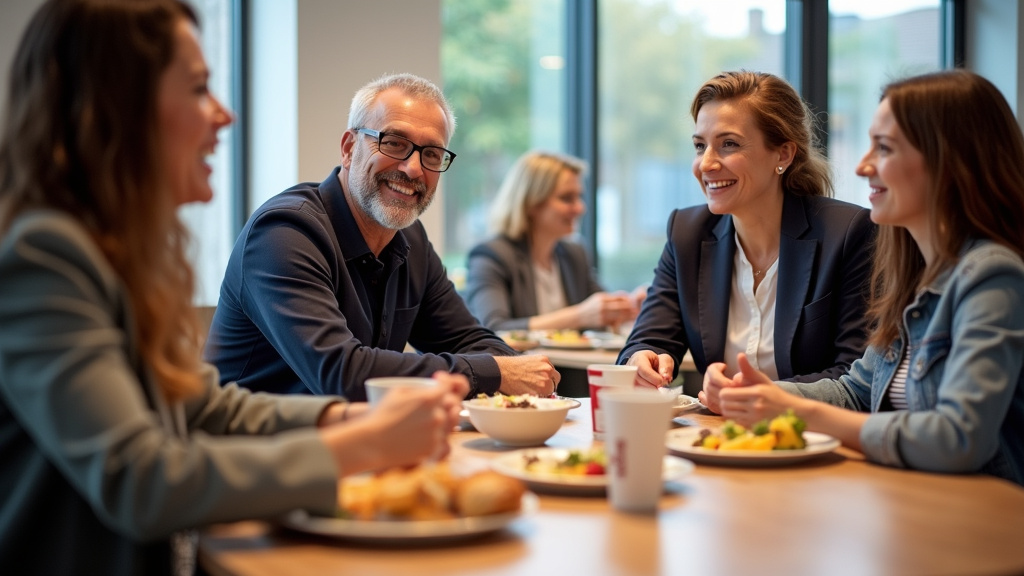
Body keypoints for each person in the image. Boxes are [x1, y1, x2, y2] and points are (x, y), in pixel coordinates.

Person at [0, 1, 467, 573]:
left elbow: (199, 403)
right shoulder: (43, 255)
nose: (224, 115)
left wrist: (342, 420)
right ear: (117, 108)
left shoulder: (115, 252)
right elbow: (139, 481)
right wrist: (359, 446)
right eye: (199, 89)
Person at [703, 70, 1024, 486]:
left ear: (950, 163)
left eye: (884, 148)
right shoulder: (916, 277)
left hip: (981, 529)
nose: (862, 165)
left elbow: (958, 438)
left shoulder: (992, 275)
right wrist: (763, 393)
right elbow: (856, 392)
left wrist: (801, 412)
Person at [204, 74, 559, 402]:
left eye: (431, 154)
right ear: (348, 148)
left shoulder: (410, 239)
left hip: (354, 447)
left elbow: (468, 339)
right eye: (394, 143)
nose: (413, 168)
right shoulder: (284, 233)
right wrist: (494, 373)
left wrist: (512, 368)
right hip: (254, 456)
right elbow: (342, 374)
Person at [618, 71, 876, 389]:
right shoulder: (687, 233)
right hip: (719, 433)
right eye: (700, 146)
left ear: (783, 154)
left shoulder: (848, 233)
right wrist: (645, 357)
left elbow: (858, 375)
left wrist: (759, 396)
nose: (707, 164)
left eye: (729, 144)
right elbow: (649, 338)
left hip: (811, 434)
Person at [464, 150, 642, 333]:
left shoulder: (574, 253)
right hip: (521, 361)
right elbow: (495, 328)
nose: (580, 208)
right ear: (531, 203)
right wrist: (579, 316)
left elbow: (600, 312)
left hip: (571, 362)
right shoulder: (491, 255)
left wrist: (633, 306)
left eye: (579, 197)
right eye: (567, 198)